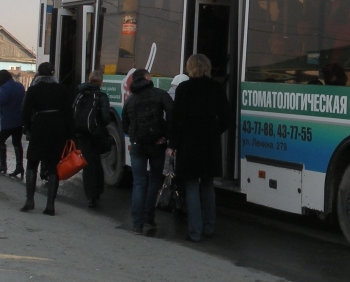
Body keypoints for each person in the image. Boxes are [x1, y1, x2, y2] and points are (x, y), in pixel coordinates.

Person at [169, 54, 231, 242]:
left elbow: (177, 119)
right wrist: (214, 131)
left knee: (191, 186)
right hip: (210, 143)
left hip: (189, 142)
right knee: (207, 185)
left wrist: (172, 145)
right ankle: (209, 227)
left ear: (190, 68)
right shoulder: (217, 88)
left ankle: (195, 232)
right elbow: (226, 119)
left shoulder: (184, 88)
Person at [121, 68, 173, 234]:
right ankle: (149, 218)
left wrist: (136, 137)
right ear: (148, 78)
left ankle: (137, 223)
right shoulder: (159, 94)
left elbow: (125, 125)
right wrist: (165, 136)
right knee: (154, 181)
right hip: (157, 145)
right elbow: (172, 113)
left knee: (138, 183)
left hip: (138, 146)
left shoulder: (130, 99)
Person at [21, 62, 74, 215]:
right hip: (58, 129)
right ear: (53, 74)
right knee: (53, 165)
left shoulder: (33, 90)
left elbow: (25, 112)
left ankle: (29, 200)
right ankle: (50, 205)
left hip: (39, 127)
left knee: (32, 162)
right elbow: (69, 113)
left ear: (39, 74)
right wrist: (71, 134)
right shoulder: (62, 89)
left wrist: (29, 127)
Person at [73, 70, 112, 208]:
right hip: (96, 134)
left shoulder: (80, 94)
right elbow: (106, 117)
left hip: (82, 135)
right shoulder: (101, 96)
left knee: (88, 164)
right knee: (97, 161)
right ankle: (98, 191)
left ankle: (90, 196)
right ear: (101, 82)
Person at [0, 69, 26, 178]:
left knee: (0, 140)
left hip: (9, 120)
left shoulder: (5, 88)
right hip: (19, 119)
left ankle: (3, 165)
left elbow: (1, 100)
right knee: (17, 143)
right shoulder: (19, 86)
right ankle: (19, 166)